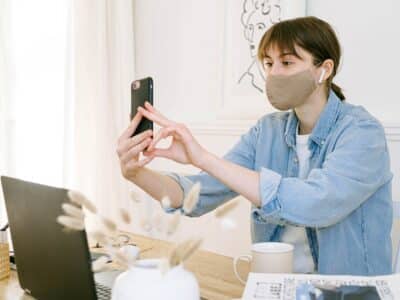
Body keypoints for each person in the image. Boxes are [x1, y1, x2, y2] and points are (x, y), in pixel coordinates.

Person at [116, 16, 393, 276]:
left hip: (348, 293)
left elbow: (316, 204)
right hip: (274, 286)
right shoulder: (266, 131)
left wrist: (203, 158)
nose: (273, 73)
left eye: (286, 63)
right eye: (269, 64)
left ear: (324, 70)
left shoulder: (362, 132)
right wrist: (136, 173)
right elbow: (197, 195)